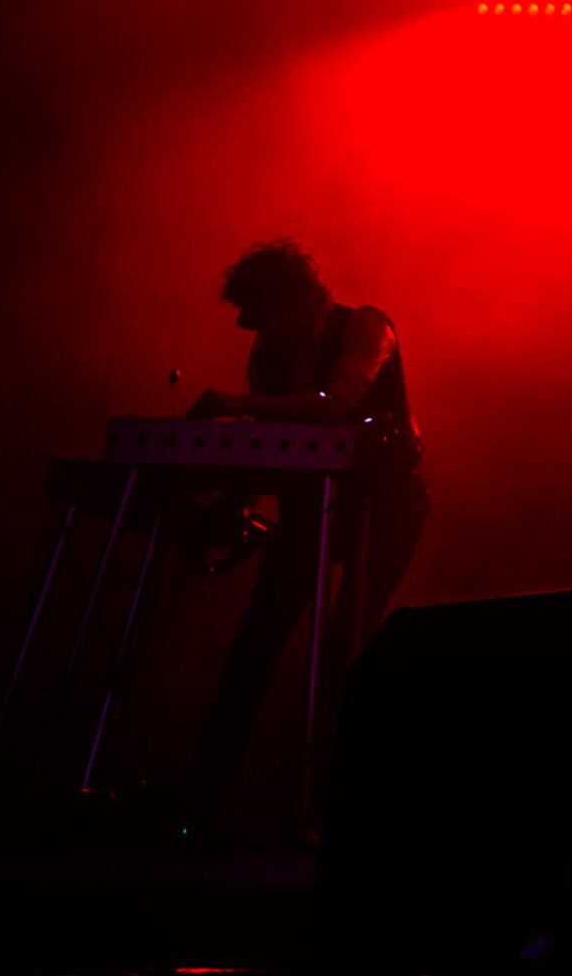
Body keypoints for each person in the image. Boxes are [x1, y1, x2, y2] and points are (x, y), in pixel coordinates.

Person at [180, 237, 429, 832]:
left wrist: (237, 404)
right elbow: (272, 440)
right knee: (257, 639)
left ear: (291, 299)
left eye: (261, 313)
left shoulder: (366, 325)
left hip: (384, 500)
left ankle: (330, 805)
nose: (254, 328)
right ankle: (204, 801)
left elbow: (339, 403)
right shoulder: (271, 350)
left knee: (349, 646)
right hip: (307, 504)